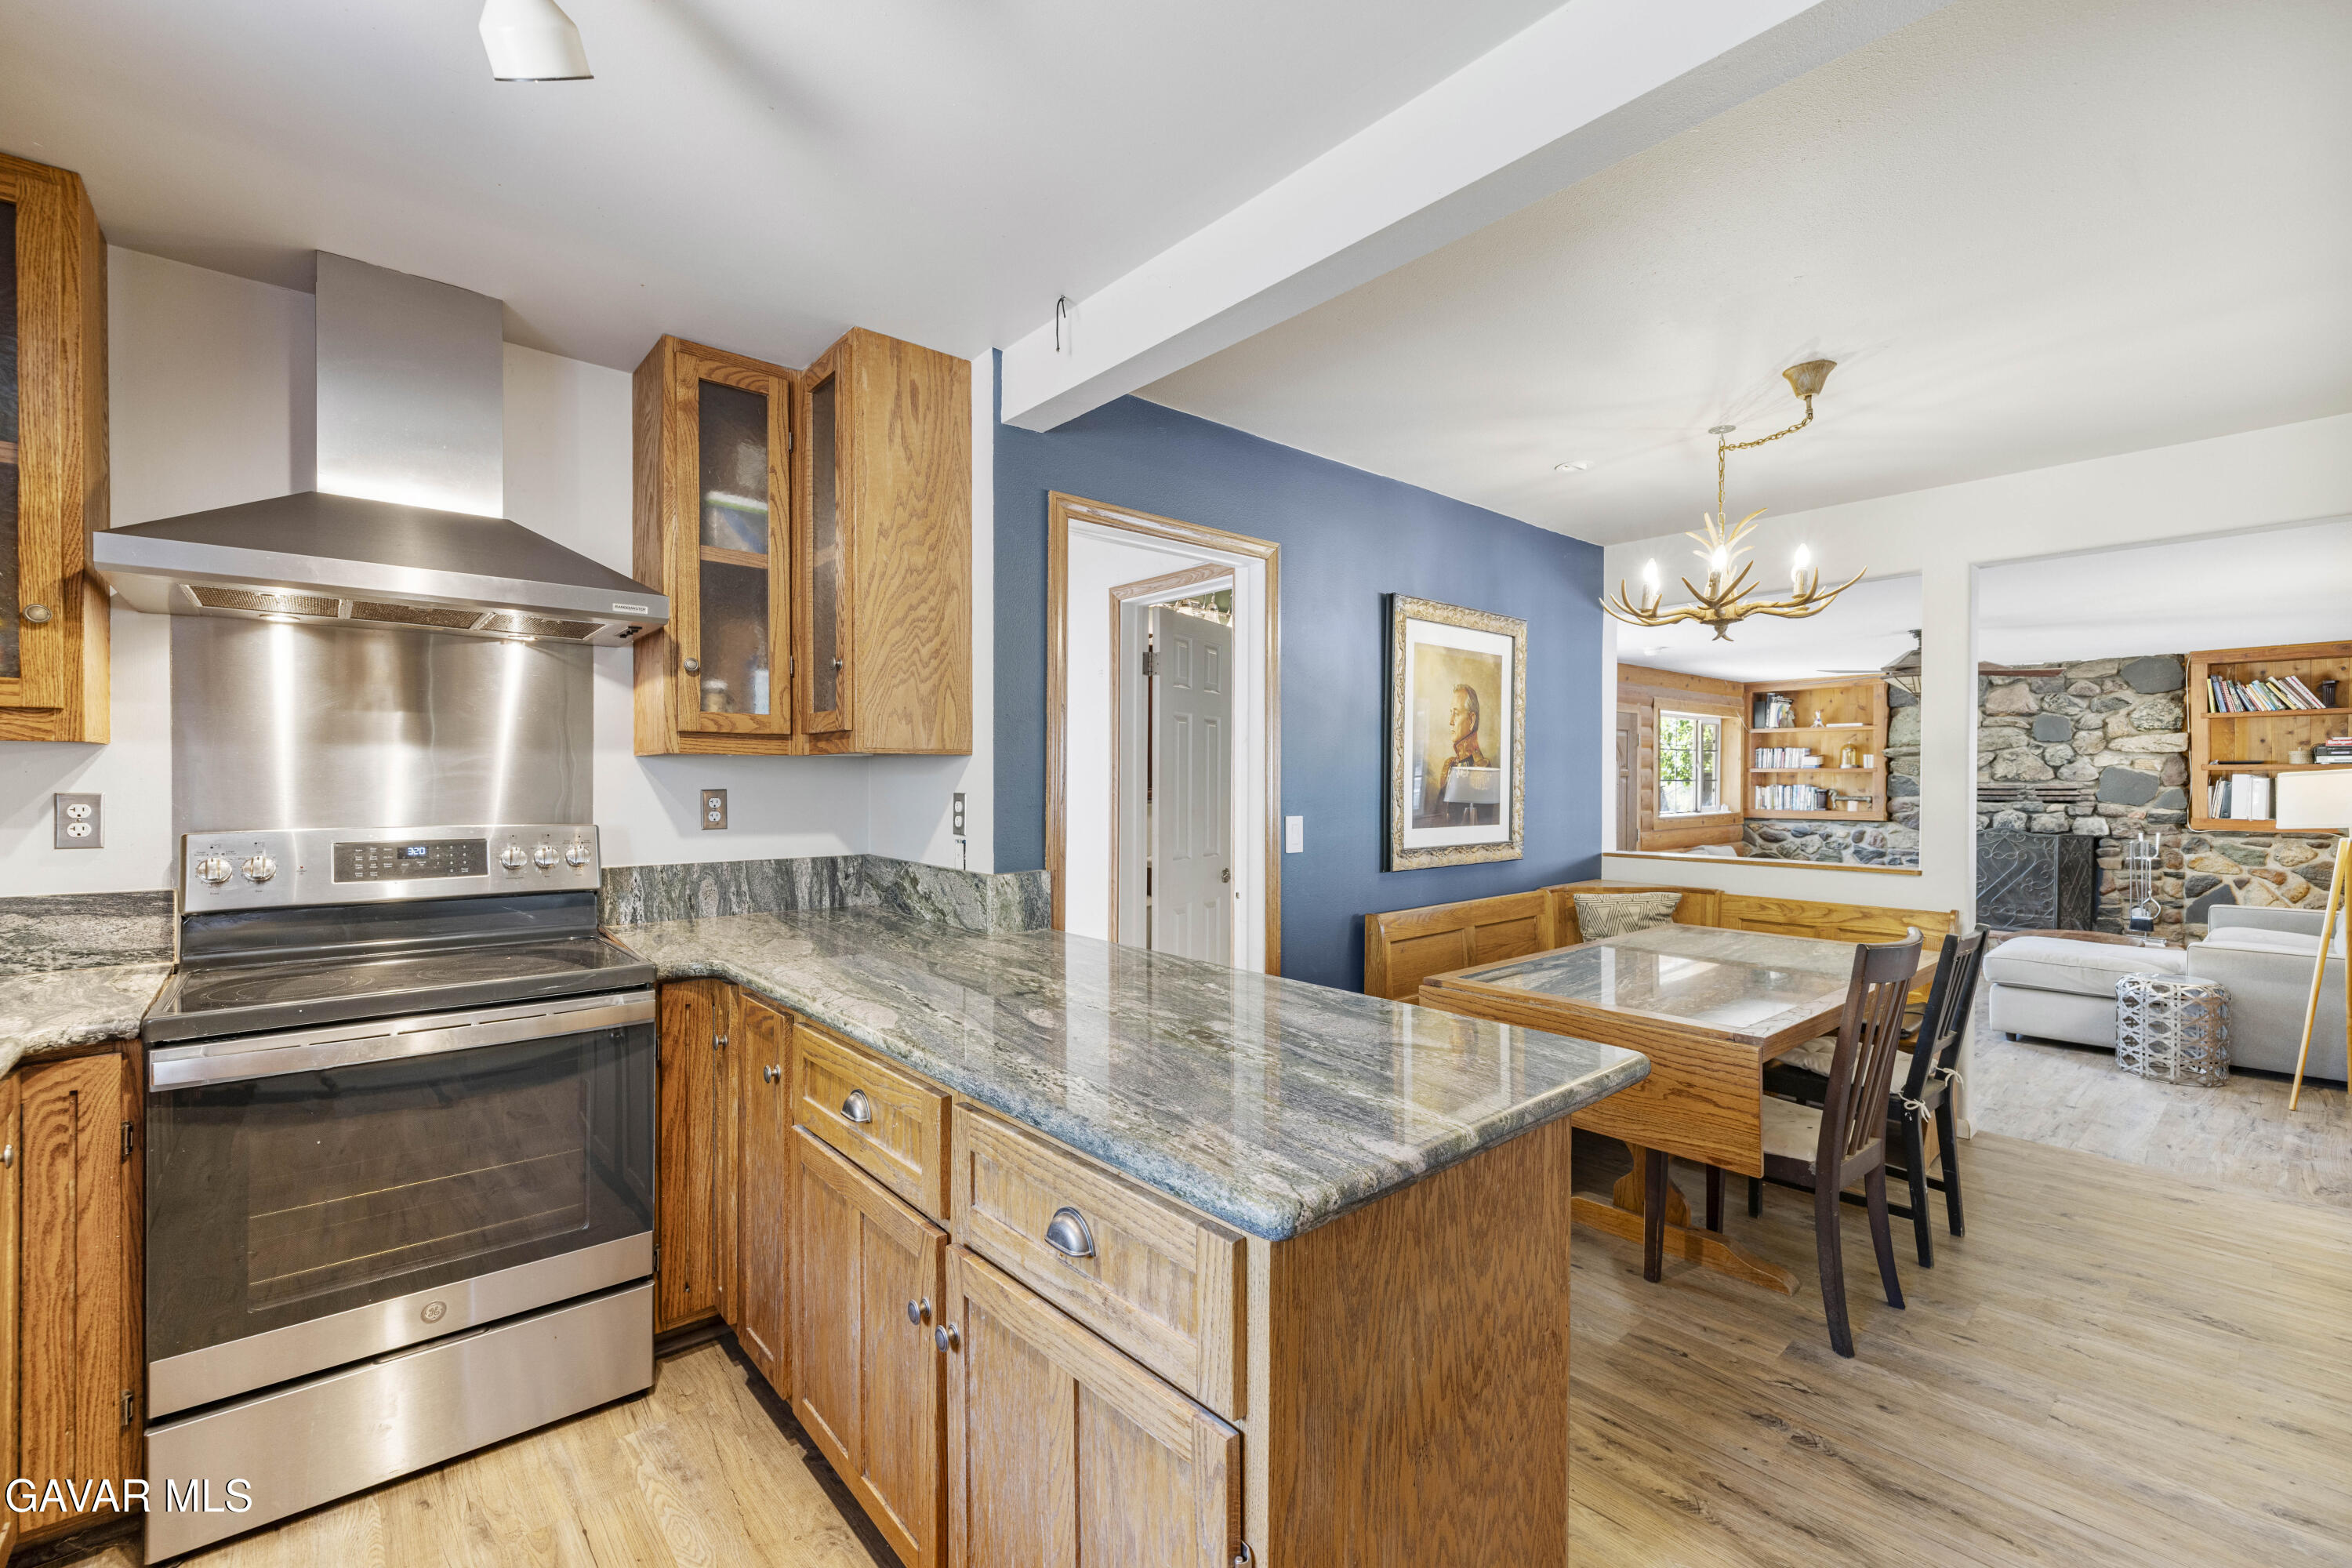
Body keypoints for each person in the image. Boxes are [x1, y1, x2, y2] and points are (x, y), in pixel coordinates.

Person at [1433, 683, 1490, 821]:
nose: (1450, 721)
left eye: (1456, 714)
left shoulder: (1482, 769)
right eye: (1451, 713)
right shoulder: (1449, 765)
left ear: (1471, 720)